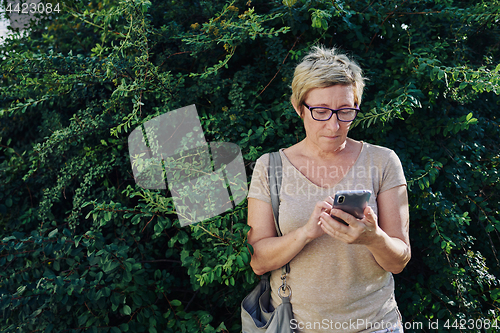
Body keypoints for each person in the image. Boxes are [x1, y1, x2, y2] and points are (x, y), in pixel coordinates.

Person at [246, 45, 410, 333]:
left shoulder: (383, 162)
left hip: (375, 326)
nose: (334, 125)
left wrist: (373, 238)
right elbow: (258, 261)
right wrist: (305, 234)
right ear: (299, 107)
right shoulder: (270, 168)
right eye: (321, 111)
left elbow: (399, 260)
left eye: (346, 111)